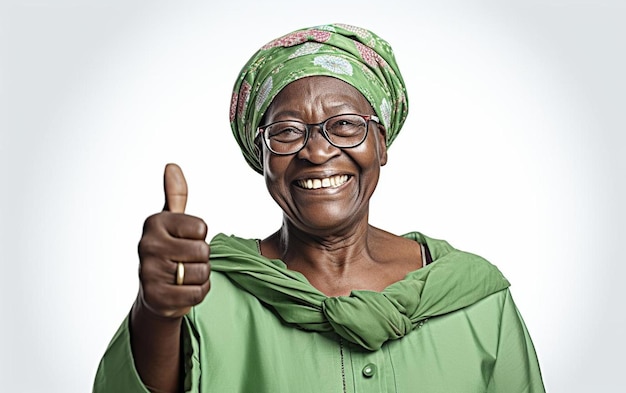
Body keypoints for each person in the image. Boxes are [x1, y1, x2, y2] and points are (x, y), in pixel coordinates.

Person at [93, 23, 545, 392]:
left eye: (345, 125)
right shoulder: (204, 292)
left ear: (380, 144)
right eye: (287, 132)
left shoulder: (476, 298)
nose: (316, 151)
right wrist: (155, 312)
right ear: (262, 157)